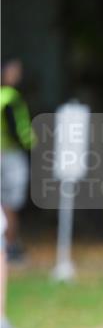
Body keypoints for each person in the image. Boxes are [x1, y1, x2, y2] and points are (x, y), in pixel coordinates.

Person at [1, 59, 34, 263]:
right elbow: (17, 129)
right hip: (10, 155)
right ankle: (10, 245)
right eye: (14, 71)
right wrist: (29, 144)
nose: (17, 75)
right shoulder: (10, 96)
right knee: (10, 202)